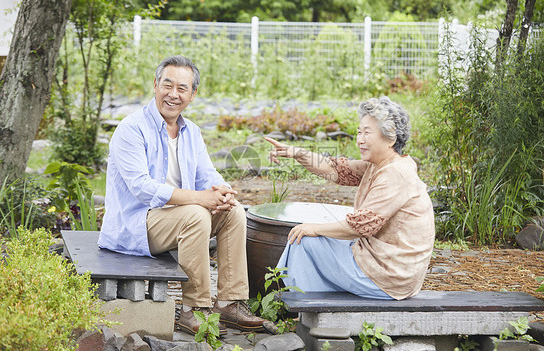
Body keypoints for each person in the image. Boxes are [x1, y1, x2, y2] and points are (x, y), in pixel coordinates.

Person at [98, 55, 266, 335]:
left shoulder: (192, 132)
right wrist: (199, 198)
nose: (173, 95)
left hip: (179, 221)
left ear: (193, 94)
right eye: (167, 85)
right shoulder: (131, 128)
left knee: (234, 211)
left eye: (182, 88)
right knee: (196, 213)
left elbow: (207, 174)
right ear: (155, 85)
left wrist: (222, 191)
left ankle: (228, 304)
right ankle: (192, 309)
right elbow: (141, 187)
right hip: (138, 225)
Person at [265, 96, 435, 300]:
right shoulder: (380, 165)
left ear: (390, 138)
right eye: (359, 132)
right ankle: (308, 305)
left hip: (390, 275)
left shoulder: (395, 173)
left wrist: (314, 228)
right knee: (307, 238)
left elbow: (361, 226)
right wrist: (296, 153)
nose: (360, 139)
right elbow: (334, 169)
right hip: (377, 261)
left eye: (367, 133)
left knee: (303, 240)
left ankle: (305, 306)